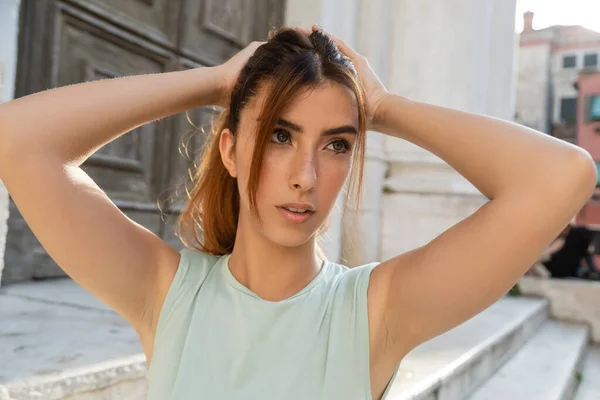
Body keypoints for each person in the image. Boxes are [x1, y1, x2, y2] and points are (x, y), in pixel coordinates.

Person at [0, 25, 595, 400]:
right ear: (230, 150)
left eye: (337, 144)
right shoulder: (166, 293)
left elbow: (562, 178)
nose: (306, 176)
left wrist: (384, 106)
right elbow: (16, 139)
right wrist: (214, 82)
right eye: (280, 136)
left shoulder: (375, 311)